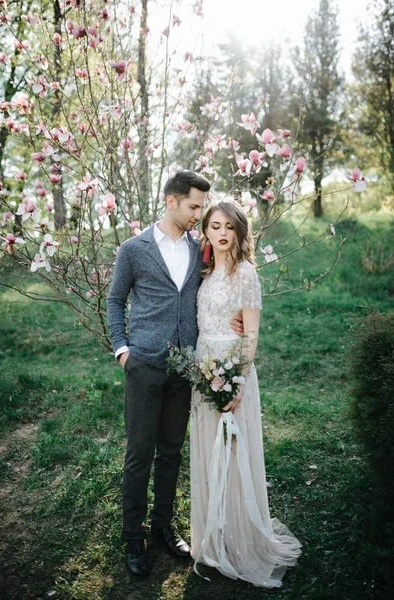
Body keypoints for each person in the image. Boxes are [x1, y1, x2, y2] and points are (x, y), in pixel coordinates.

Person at [106, 171, 242, 580]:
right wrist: (122, 351)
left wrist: (234, 320)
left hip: (186, 368)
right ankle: (134, 536)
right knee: (139, 454)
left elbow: (223, 285)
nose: (199, 214)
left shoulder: (200, 248)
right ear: (171, 201)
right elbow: (115, 301)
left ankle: (163, 525)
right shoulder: (134, 249)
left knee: (171, 451)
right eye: (194, 207)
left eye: (202, 206)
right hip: (143, 365)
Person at [190, 201, 302, 588]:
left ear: (239, 232)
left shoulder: (246, 274)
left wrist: (236, 379)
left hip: (232, 367)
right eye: (214, 226)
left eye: (229, 227)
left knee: (234, 449)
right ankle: (214, 535)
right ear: (206, 230)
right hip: (204, 365)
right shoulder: (205, 271)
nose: (221, 233)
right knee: (209, 449)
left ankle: (240, 538)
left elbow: (251, 334)